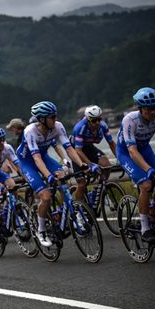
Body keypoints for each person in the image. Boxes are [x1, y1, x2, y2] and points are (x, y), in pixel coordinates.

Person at [17, 101, 97, 247]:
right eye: (52, 117)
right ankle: (41, 230)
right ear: (41, 119)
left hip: (44, 157)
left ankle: (69, 215)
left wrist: (81, 164)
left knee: (64, 180)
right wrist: (48, 176)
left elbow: (69, 149)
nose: (55, 119)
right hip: (27, 162)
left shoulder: (58, 127)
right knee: (46, 197)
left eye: (55, 116)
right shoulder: (30, 131)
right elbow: (36, 158)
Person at [116, 87, 155, 242]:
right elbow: (132, 151)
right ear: (141, 109)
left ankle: (153, 213)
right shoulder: (129, 120)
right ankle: (145, 227)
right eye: (149, 109)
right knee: (146, 185)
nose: (153, 112)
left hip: (145, 150)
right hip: (126, 153)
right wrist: (148, 169)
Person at [71, 106, 117, 201]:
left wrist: (120, 158)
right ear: (88, 120)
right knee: (82, 184)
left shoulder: (103, 126)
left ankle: (100, 190)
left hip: (88, 147)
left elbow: (112, 144)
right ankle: (78, 208)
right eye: (94, 121)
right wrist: (90, 164)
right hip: (75, 151)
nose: (97, 123)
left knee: (106, 164)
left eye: (99, 119)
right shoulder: (80, 127)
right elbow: (78, 150)